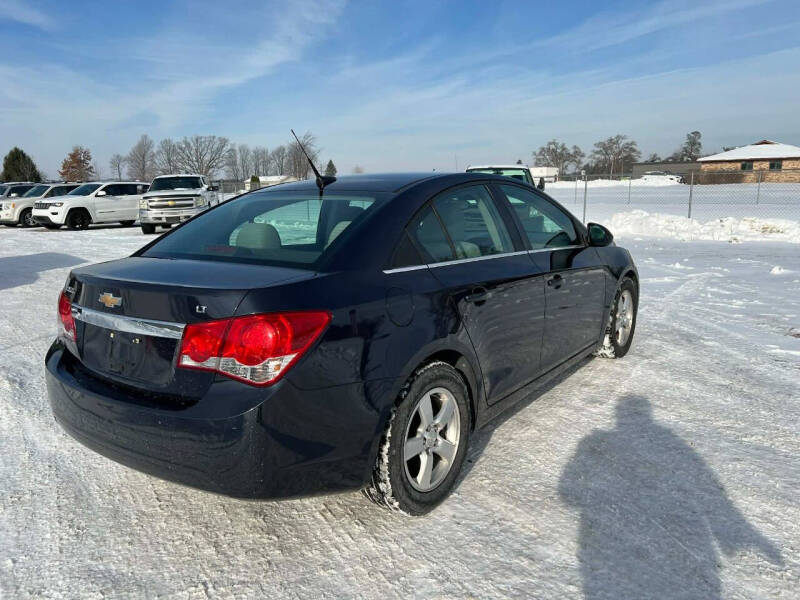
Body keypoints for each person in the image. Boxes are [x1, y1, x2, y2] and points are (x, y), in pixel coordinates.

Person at [558, 395, 782, 599]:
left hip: (611, 544)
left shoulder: (597, 441)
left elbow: (568, 492)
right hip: (632, 544)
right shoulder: (667, 439)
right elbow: (706, 483)